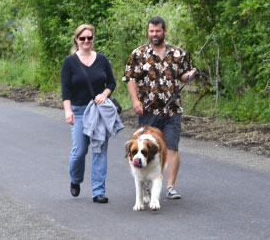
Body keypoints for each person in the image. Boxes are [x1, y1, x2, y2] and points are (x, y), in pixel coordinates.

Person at [123, 16, 196, 199]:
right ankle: (146, 183)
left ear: (164, 31)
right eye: (151, 31)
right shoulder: (138, 54)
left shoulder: (178, 53)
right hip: (148, 111)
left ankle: (170, 186)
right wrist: (135, 102)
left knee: (171, 147)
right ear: (148, 32)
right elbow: (130, 79)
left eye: (157, 31)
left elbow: (183, 76)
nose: (154, 34)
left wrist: (191, 75)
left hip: (172, 109)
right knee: (145, 147)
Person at [60, 24, 116, 203]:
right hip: (78, 110)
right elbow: (66, 89)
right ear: (76, 40)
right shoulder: (69, 62)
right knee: (79, 151)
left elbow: (112, 83)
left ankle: (98, 191)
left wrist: (104, 94)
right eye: (82, 38)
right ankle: (75, 179)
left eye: (89, 38)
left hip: (98, 111)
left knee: (99, 150)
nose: (86, 41)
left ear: (93, 39)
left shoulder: (101, 60)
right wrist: (68, 111)